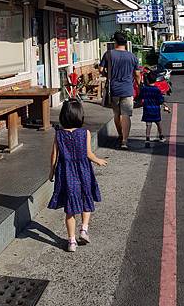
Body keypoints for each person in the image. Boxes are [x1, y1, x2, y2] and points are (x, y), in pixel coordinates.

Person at [48, 98, 107, 252]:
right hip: (84, 171)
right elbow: (88, 153)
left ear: (63, 116)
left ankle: (71, 241)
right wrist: (98, 161)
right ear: (80, 116)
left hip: (66, 172)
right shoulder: (85, 133)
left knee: (70, 208)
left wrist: (51, 171)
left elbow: (54, 155)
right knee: (86, 198)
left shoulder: (59, 134)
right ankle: (84, 229)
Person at [100, 32, 141, 150]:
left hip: (113, 89)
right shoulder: (132, 56)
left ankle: (120, 135)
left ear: (115, 42)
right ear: (125, 43)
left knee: (117, 114)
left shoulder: (108, 54)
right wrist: (139, 85)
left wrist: (108, 75)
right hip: (128, 89)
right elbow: (137, 74)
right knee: (126, 115)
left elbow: (101, 69)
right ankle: (125, 141)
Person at [140, 70, 166, 147]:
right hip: (155, 110)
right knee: (158, 123)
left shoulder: (144, 89)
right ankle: (161, 136)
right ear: (155, 80)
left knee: (148, 124)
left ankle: (147, 139)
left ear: (147, 80)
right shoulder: (157, 90)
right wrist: (165, 105)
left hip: (147, 109)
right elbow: (160, 100)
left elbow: (141, 96)